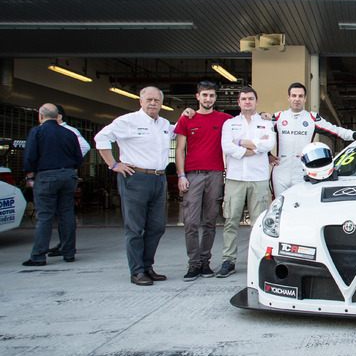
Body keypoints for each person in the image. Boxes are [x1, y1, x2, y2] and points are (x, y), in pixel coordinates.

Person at [94, 87, 175, 286]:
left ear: (161, 103)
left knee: (156, 227)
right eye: (149, 99)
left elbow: (182, 131)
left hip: (158, 178)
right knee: (135, 227)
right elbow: (101, 139)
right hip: (135, 177)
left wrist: (188, 115)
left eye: (157, 100)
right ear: (141, 101)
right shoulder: (127, 121)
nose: (153, 103)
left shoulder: (164, 124)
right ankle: (137, 271)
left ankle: (147, 266)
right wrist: (113, 164)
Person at [269, 82, 356, 198]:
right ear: (288, 97)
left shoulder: (312, 118)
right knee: (279, 206)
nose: (297, 99)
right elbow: (260, 135)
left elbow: (334, 130)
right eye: (294, 96)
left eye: (300, 96)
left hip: (302, 170)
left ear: (305, 98)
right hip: (281, 170)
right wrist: (268, 155)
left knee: (303, 204)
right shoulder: (278, 117)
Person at [174, 81, 232, 281]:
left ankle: (206, 262)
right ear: (197, 96)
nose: (208, 99)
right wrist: (181, 175)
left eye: (212, 96)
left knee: (209, 221)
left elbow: (246, 122)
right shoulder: (186, 119)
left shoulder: (225, 120)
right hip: (193, 175)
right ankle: (193, 264)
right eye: (205, 95)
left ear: (215, 98)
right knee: (190, 221)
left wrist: (266, 116)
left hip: (216, 174)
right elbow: (180, 150)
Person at [217, 87, 275, 278]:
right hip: (235, 179)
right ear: (239, 103)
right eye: (244, 99)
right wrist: (254, 147)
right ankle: (228, 260)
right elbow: (226, 146)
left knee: (258, 223)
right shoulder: (229, 124)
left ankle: (258, 259)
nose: (247, 102)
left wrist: (240, 142)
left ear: (256, 102)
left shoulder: (265, 123)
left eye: (251, 99)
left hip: (258, 179)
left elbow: (268, 145)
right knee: (231, 221)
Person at [21, 103, 83, 266]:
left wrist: (29, 177)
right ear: (57, 116)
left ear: (40, 116)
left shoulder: (37, 131)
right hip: (68, 175)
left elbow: (29, 156)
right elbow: (79, 157)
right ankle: (69, 252)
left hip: (47, 176)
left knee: (44, 216)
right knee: (67, 213)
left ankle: (38, 256)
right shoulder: (70, 134)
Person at [46, 104, 91, 258]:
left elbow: (85, 146)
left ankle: (65, 245)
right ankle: (64, 245)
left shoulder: (70, 130)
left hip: (60, 174)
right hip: (65, 174)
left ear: (59, 117)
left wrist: (71, 163)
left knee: (61, 212)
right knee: (62, 212)